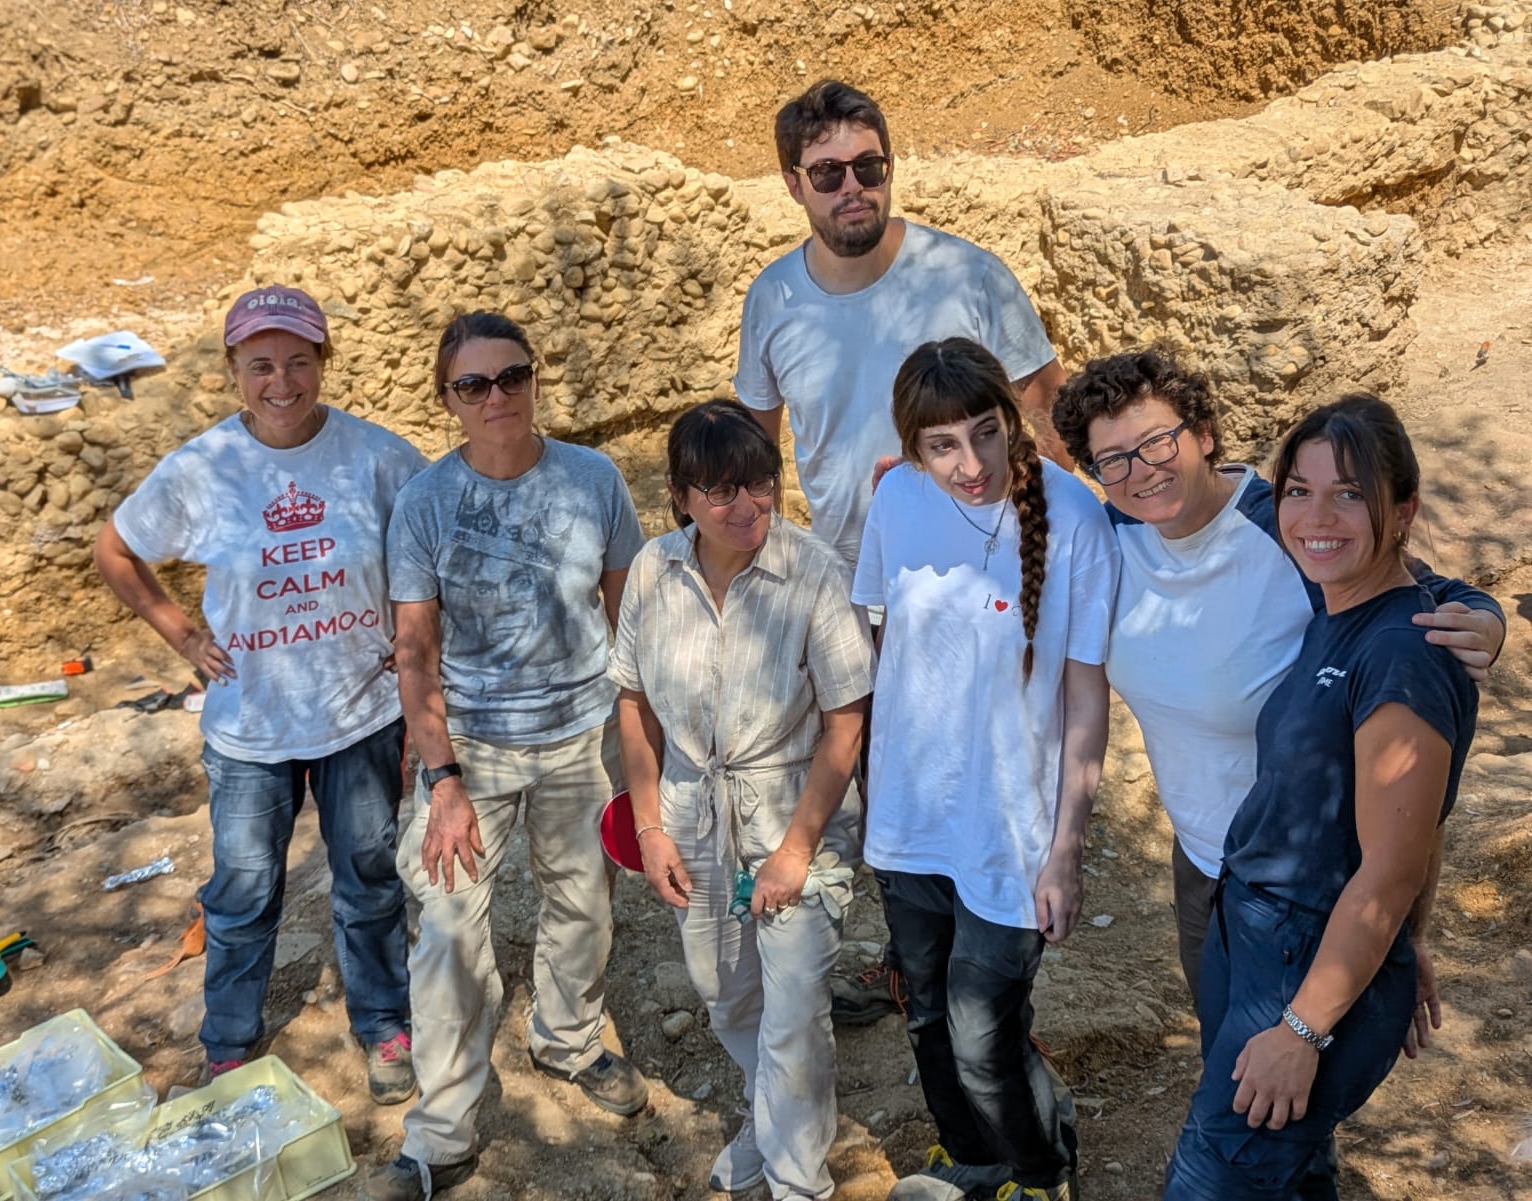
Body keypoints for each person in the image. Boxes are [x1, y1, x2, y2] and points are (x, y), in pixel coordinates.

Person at [734, 77, 1072, 1026]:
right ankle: (913, 961)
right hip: (849, 588)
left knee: (988, 767)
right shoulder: (774, 298)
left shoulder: (968, 276)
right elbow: (758, 447)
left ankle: (992, 991)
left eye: (869, 166)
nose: (854, 187)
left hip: (976, 584)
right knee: (888, 770)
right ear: (793, 183)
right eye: (828, 173)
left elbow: (1046, 413)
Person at [1049, 349, 1505, 1002]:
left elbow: (1421, 590)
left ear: (1205, 434)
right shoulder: (1110, 537)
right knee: (1224, 1048)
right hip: (1201, 863)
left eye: (1156, 442)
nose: (1141, 471)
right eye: (1112, 459)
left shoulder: (1285, 526)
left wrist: (1487, 620)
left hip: (1309, 879)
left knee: (1298, 1052)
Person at [93, 285, 425, 1101]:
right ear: (234, 370)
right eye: (262, 365)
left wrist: (416, 648)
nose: (282, 382)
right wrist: (181, 633)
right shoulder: (203, 469)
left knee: (369, 876)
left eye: (299, 362)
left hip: (359, 712)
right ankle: (230, 1043)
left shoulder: (376, 457)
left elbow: (428, 549)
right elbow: (116, 548)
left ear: (323, 363)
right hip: (251, 725)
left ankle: (384, 1023)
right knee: (243, 891)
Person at [1161, 394, 1481, 1200]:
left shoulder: (1404, 653)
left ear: (1403, 509)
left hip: (1300, 964)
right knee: (1292, 1177)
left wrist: (1303, 1028)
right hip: (1263, 937)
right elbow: (1398, 833)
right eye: (1299, 490)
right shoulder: (1336, 608)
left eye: (1349, 493)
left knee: (1208, 1182)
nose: (1316, 516)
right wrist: (1398, 943)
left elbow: (1390, 869)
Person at [372, 311, 648, 1201]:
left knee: (584, 904)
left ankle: (567, 1039)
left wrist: (642, 747)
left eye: (513, 376)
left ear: (534, 379)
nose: (498, 396)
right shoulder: (425, 502)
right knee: (450, 929)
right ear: (447, 399)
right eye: (474, 383)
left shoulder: (594, 479)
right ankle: (442, 1131)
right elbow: (416, 655)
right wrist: (443, 780)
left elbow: (630, 620)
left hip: (578, 737)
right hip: (473, 749)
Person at [853, 338, 1117, 1201]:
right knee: (927, 1011)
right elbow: (887, 645)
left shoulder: (1073, 518)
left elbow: (1087, 699)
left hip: (1011, 828)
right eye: (942, 446)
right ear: (912, 448)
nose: (970, 465)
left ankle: (1040, 1171)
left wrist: (1066, 849)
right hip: (911, 819)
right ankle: (968, 1156)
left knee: (981, 1034)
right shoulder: (896, 497)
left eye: (985, 433)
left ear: (1011, 419)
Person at [610, 401, 876, 1198]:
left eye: (761, 483)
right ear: (681, 495)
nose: (748, 506)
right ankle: (769, 1121)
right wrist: (650, 827)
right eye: (722, 491)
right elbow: (634, 702)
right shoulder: (654, 570)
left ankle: (798, 1181)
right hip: (692, 815)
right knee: (725, 995)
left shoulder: (814, 571)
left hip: (797, 815)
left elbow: (846, 723)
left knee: (793, 1008)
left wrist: (795, 850)